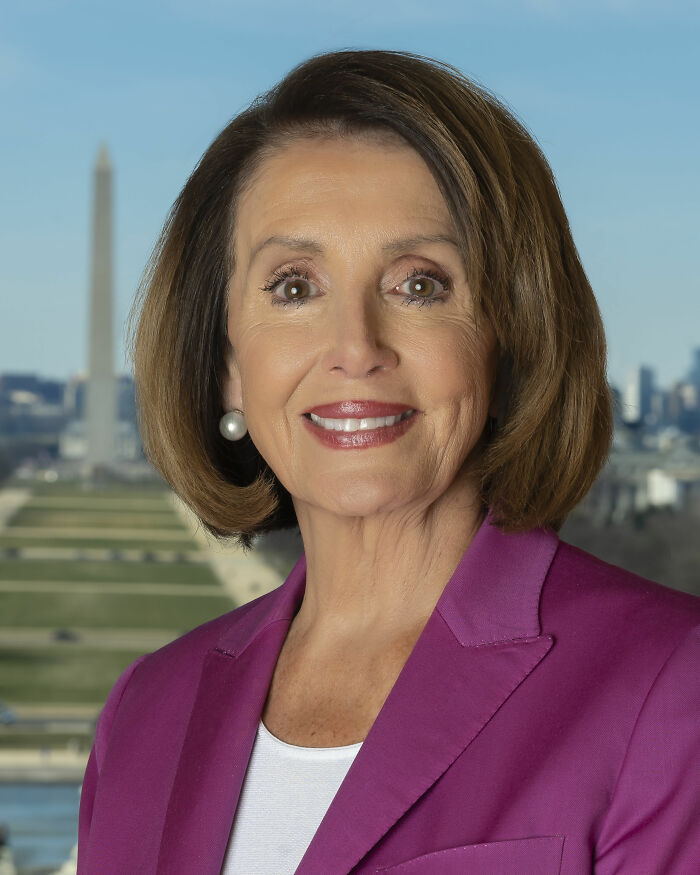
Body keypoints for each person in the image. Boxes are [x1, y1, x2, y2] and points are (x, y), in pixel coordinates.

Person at [76, 49, 700, 874]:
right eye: (294, 287)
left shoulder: (671, 686)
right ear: (225, 360)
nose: (356, 348)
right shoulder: (146, 710)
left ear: (512, 335)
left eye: (419, 285)